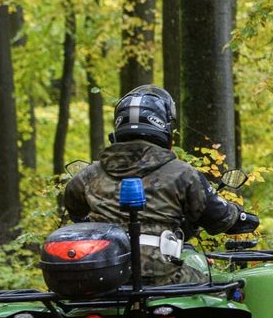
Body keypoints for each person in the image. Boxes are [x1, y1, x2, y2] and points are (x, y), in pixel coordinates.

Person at [64, 85, 260, 284]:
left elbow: (75, 212)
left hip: (102, 277)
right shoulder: (183, 173)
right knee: (221, 291)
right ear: (163, 127)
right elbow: (217, 216)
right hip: (161, 275)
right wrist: (240, 216)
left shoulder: (89, 175)